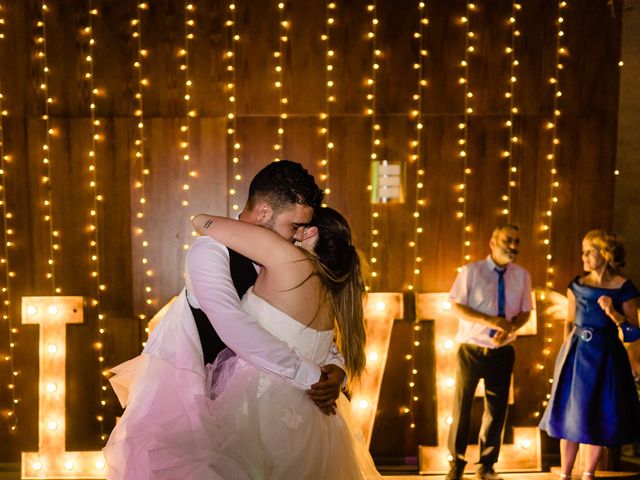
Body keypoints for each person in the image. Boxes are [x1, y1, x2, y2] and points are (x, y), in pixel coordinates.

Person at [104, 161, 348, 478]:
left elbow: (302, 327)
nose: (298, 235)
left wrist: (336, 370)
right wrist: (308, 376)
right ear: (263, 214)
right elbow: (230, 323)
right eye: (293, 226)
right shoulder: (210, 251)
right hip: (197, 401)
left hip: (261, 405)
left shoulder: (290, 260)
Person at [164, 206, 381, 478]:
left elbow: (202, 221)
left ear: (310, 232)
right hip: (316, 416)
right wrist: (337, 371)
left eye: (296, 227)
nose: (290, 236)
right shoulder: (330, 285)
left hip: (259, 403)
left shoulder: (286, 259)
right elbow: (319, 343)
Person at [539, 230, 640, 480]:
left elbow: (634, 332)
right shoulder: (577, 286)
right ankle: (564, 474)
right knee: (571, 414)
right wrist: (564, 355)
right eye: (582, 251)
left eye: (589, 251)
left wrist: (613, 313)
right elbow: (569, 322)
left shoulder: (624, 288)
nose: (583, 256)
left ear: (604, 254)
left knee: (597, 413)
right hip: (576, 356)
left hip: (606, 357)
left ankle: (588, 474)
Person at [446, 224, 533, 480]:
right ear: (492, 242)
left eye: (517, 241)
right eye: (508, 240)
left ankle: (486, 466)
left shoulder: (523, 275)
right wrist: (493, 322)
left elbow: (526, 311)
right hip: (470, 350)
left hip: (503, 351)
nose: (513, 246)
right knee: (461, 408)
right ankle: (456, 465)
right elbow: (457, 306)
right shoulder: (471, 271)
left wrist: (510, 328)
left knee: (497, 410)